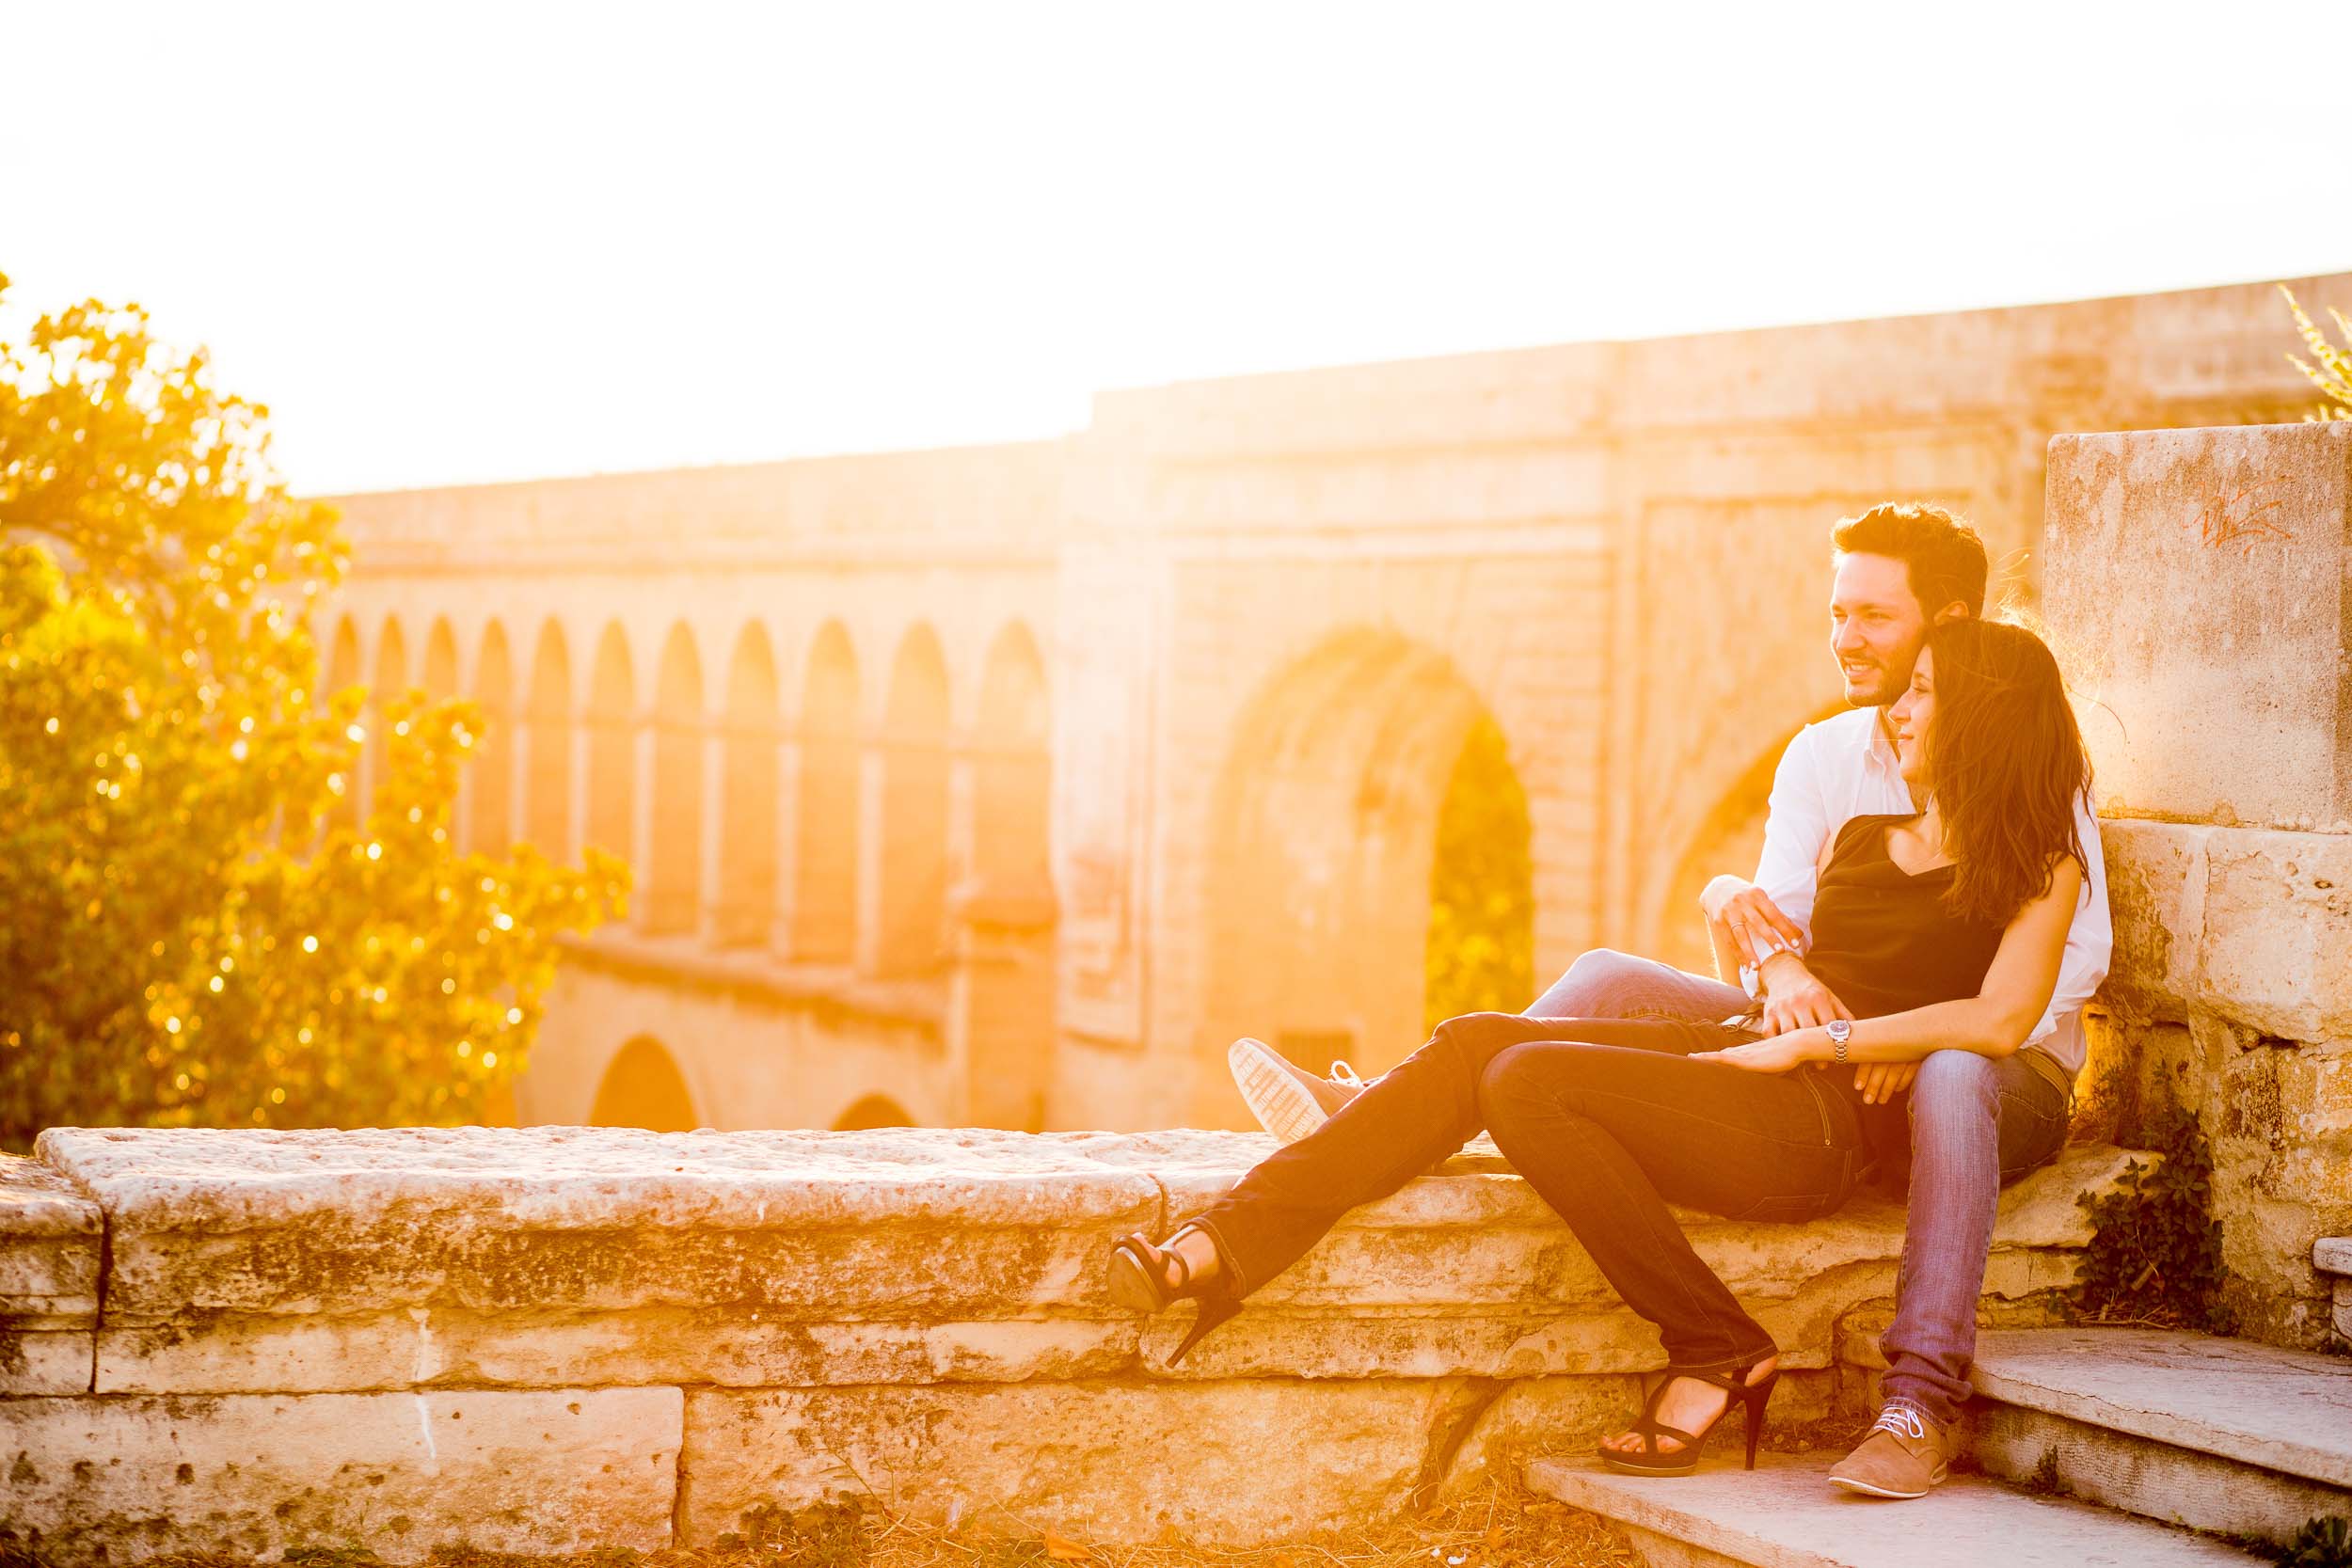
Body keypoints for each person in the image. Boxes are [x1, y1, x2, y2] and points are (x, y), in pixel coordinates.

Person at [1226, 502, 2110, 1497]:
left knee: (1951, 1065)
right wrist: (1769, 959)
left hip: (1993, 1071)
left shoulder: (2030, 766)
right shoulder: (1827, 759)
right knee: (1607, 975)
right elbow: (1785, 936)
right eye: (1837, 611)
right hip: (1841, 1039)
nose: (1845, 639)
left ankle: (1920, 1395)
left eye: (1871, 615)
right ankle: (1398, 1101)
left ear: (1947, 625)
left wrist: (1875, 1032)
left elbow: (2043, 985)